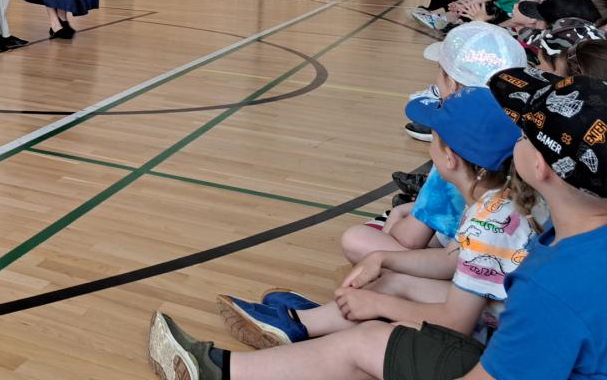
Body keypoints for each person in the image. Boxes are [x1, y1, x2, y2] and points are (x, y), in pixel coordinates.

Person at [147, 71, 607, 380]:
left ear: (543, 168)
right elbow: (461, 262)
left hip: (495, 340)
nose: (515, 137)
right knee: (383, 309)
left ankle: (218, 370)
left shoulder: (551, 286)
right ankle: (297, 333)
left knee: (367, 341)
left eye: (525, 134)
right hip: (512, 337)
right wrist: (385, 262)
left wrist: (380, 315)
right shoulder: (564, 230)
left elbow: (469, 328)